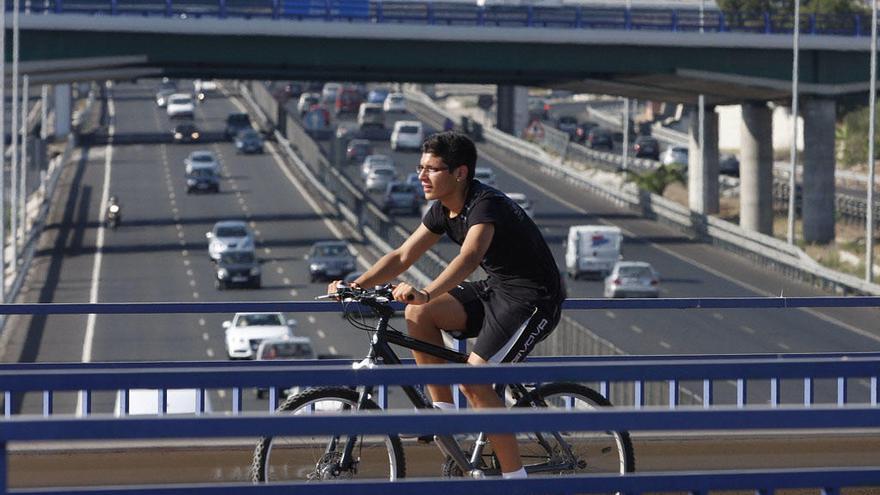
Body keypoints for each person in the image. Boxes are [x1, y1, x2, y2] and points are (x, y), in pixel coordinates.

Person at [328, 131, 565, 479]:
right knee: (418, 313)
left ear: (460, 173)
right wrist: (355, 285)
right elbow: (403, 254)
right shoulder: (443, 209)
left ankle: (515, 482)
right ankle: (441, 412)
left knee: (474, 381)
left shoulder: (486, 205)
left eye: (431, 169)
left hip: (533, 298)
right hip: (496, 289)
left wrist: (426, 291)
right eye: (420, 167)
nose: (421, 176)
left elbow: (470, 257)